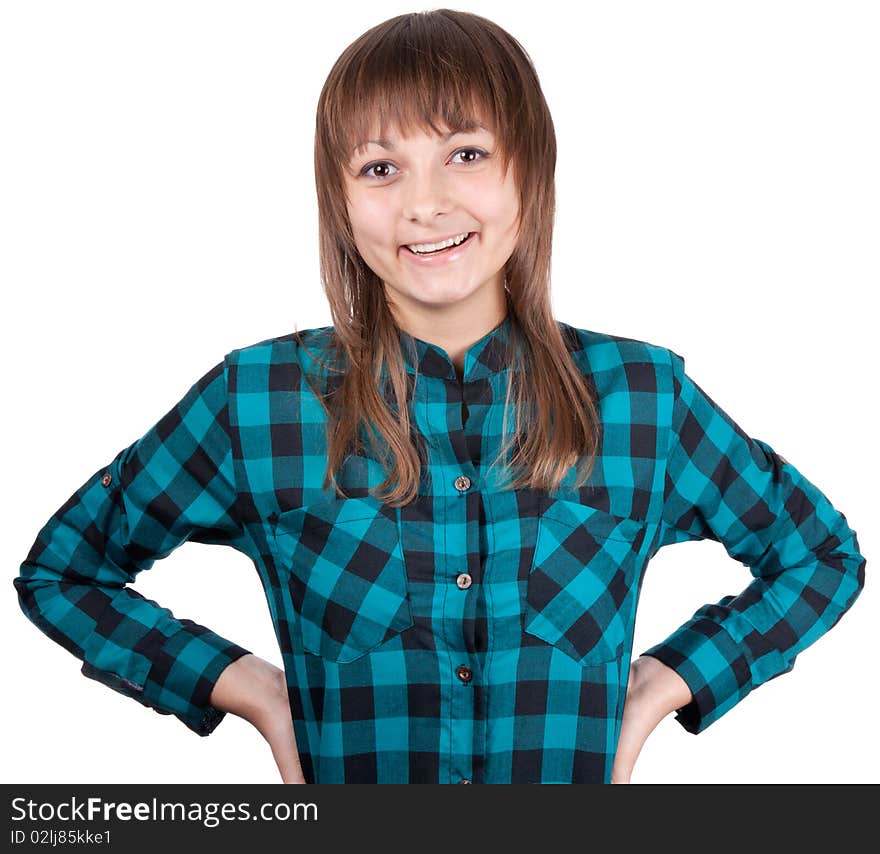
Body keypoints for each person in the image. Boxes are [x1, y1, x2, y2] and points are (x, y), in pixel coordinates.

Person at [14, 9, 866, 785]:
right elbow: (65, 571)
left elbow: (817, 557)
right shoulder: (258, 400)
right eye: (381, 167)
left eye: (465, 153)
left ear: (528, 170)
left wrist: (655, 690)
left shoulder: (643, 396)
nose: (426, 205)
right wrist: (255, 695)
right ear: (341, 204)